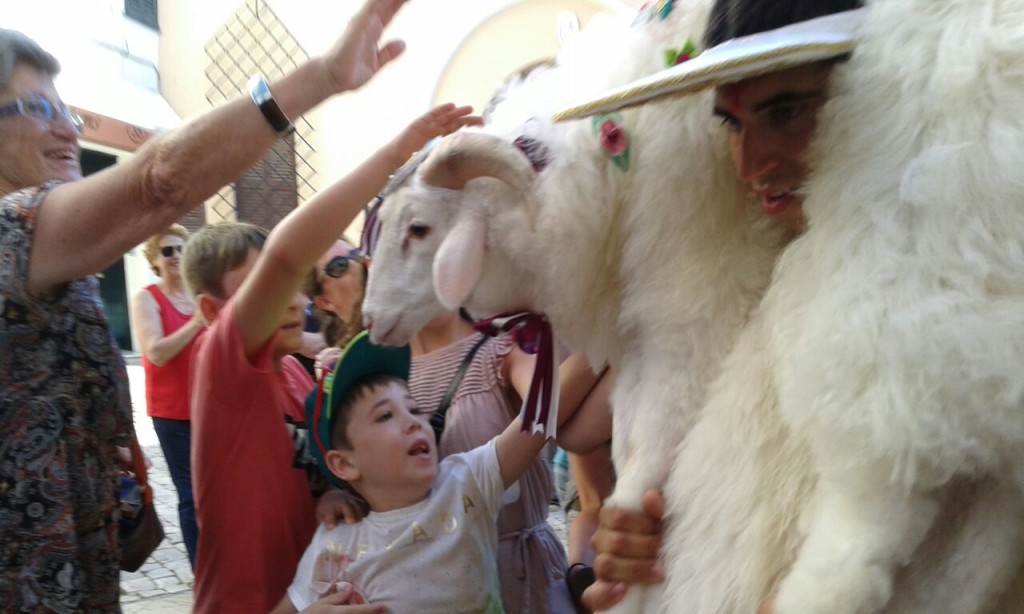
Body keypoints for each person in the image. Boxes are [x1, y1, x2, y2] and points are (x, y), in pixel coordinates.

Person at [0, 1, 412, 608]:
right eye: (38, 109)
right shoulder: (11, 234)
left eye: (65, 110)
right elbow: (157, 183)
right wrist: (320, 79)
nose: (68, 129)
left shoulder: (65, 269)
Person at [569, 0, 864, 610]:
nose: (749, 165)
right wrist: (671, 548)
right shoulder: (743, 301)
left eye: (786, 111)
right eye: (731, 124)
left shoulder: (978, 310)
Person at [182, 102, 481, 613]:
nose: (293, 299)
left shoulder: (299, 380)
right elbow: (285, 254)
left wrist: (329, 496)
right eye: (264, 289)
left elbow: (307, 476)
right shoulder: (222, 371)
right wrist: (394, 154)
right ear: (213, 312)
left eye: (292, 288)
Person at [306, 246, 615, 612]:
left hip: (523, 578)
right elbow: (354, 471)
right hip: (423, 587)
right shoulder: (372, 377)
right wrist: (335, 494)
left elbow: (556, 420)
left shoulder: (503, 345)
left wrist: (612, 334)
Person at [274, 331, 585, 613]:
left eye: (414, 408)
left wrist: (600, 349)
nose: (413, 422)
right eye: (385, 416)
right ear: (344, 464)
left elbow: (540, 414)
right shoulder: (335, 543)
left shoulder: (465, 483)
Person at [129, 223, 204, 569]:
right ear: (154, 261)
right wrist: (197, 323)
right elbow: (156, 352)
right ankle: (201, 572)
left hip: (211, 409)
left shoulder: (203, 296)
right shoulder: (148, 298)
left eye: (181, 249)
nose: (176, 256)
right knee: (191, 497)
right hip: (173, 414)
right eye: (167, 251)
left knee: (220, 492)